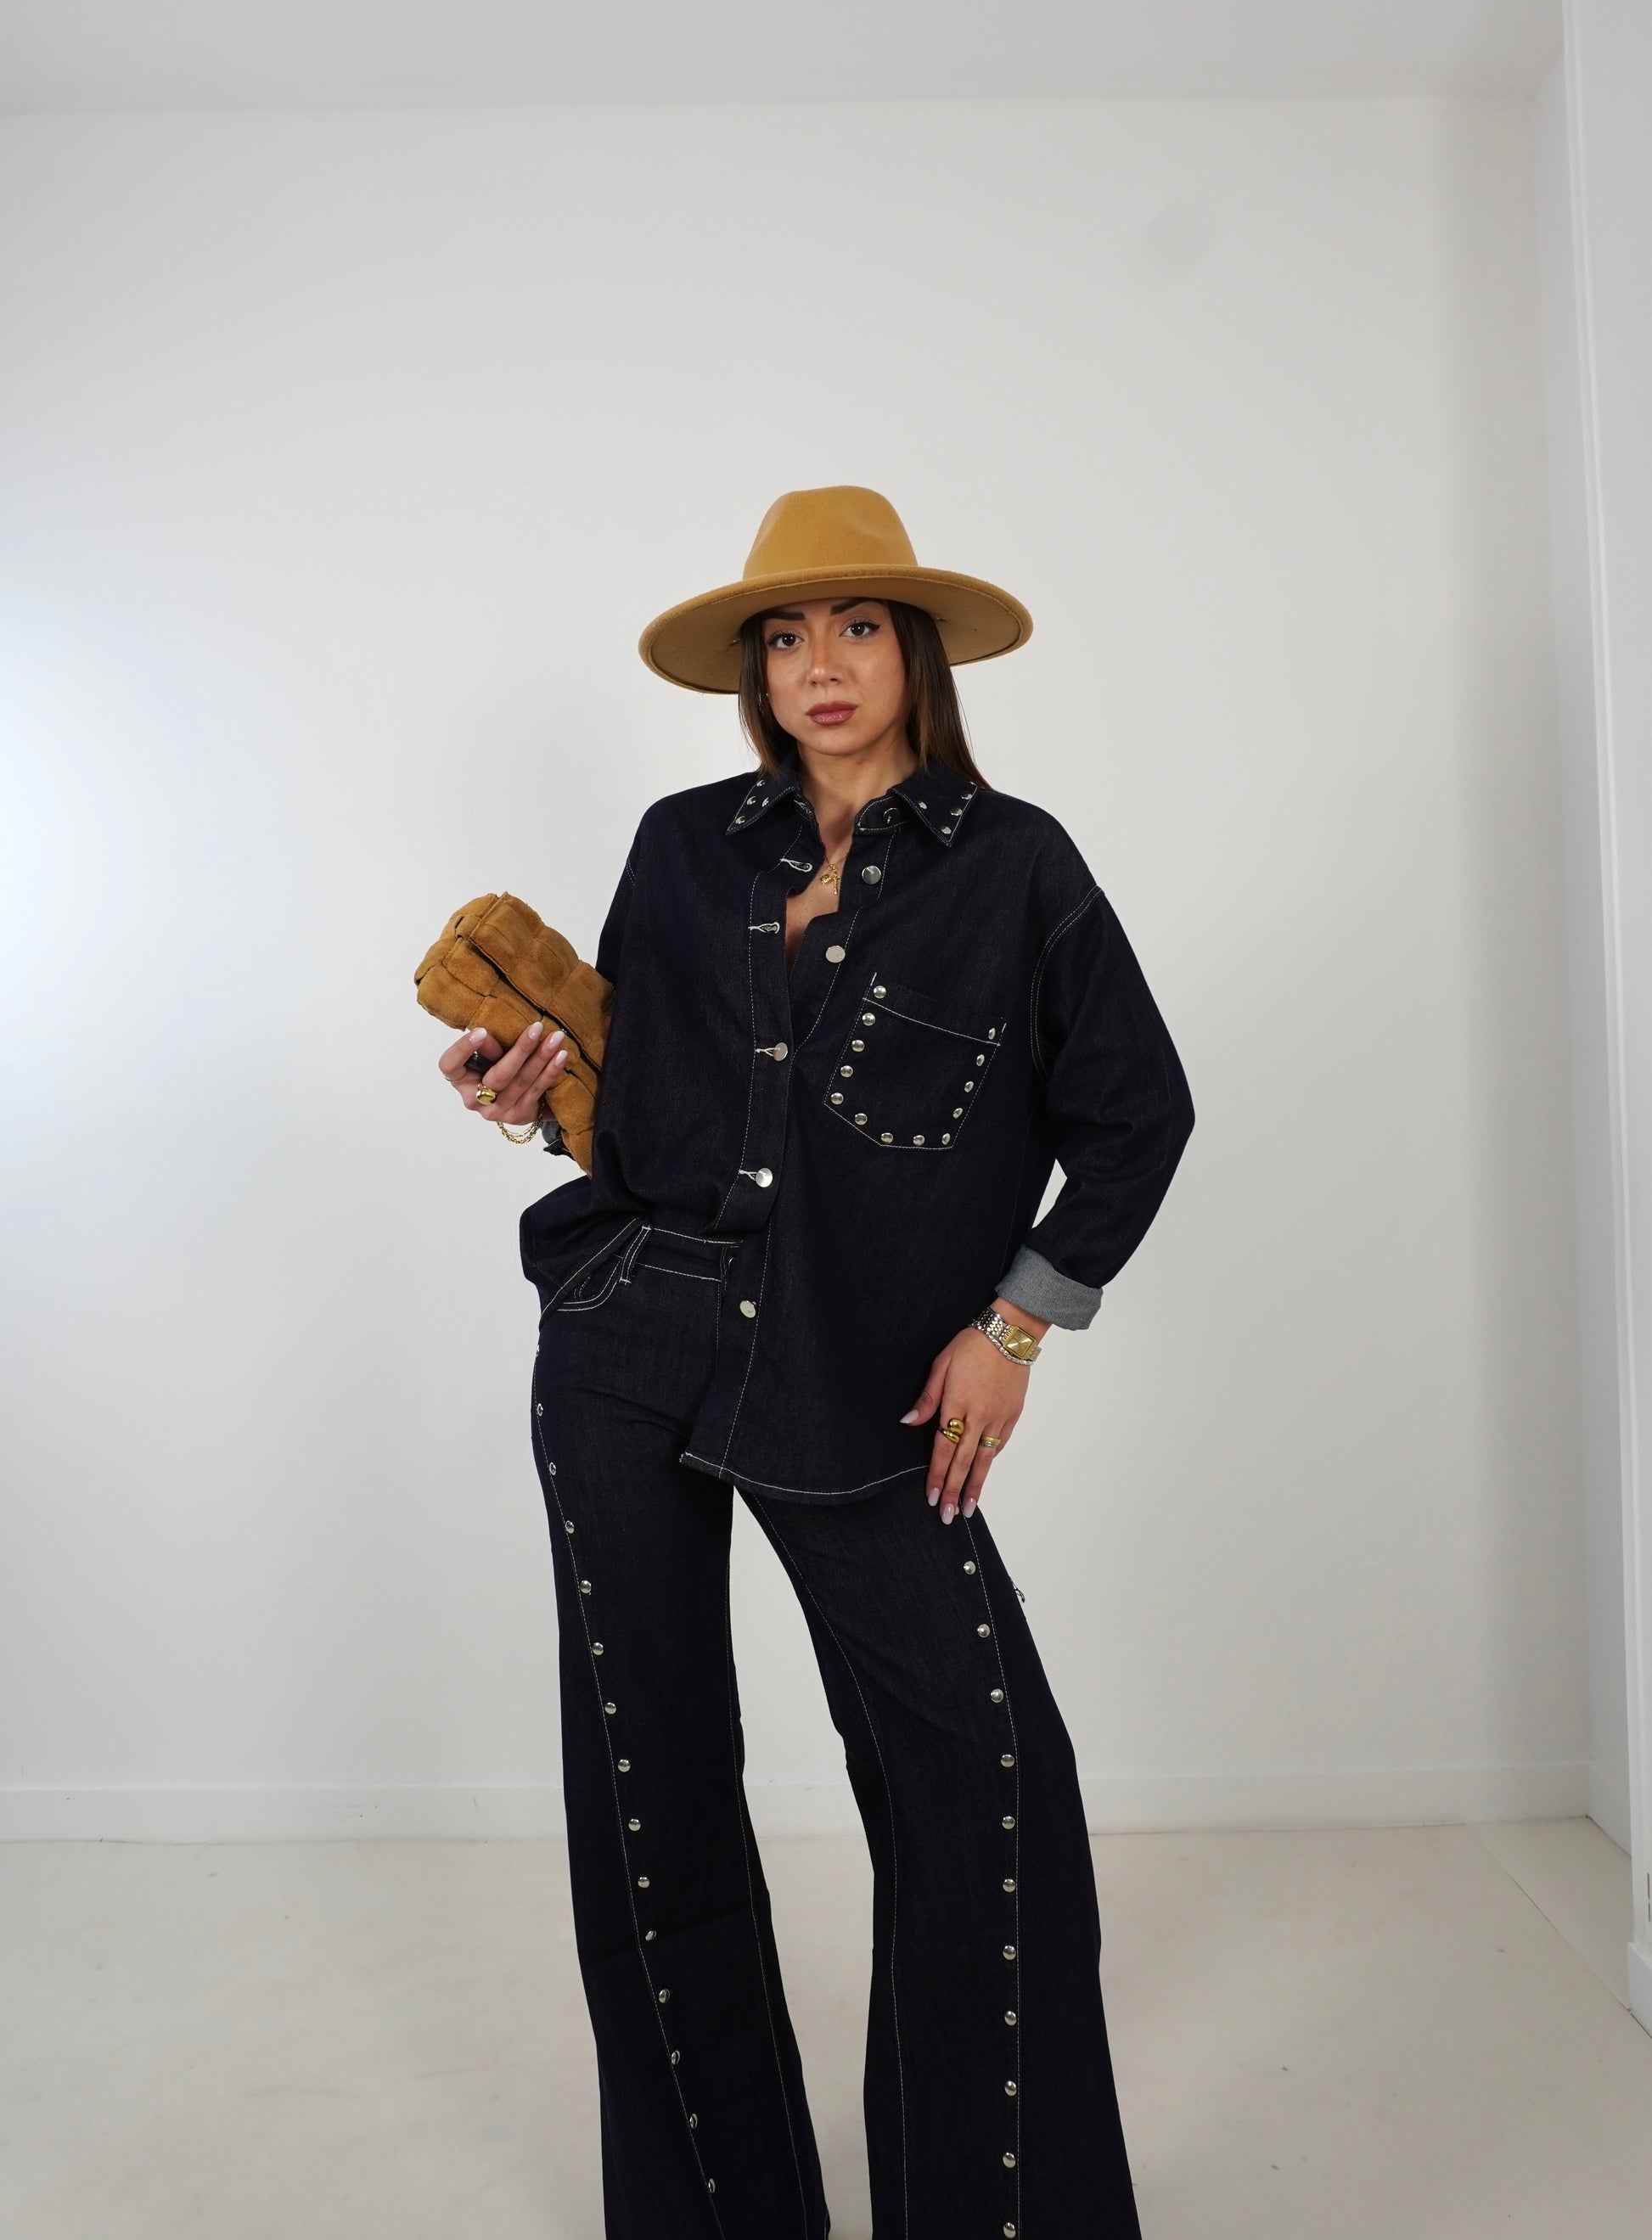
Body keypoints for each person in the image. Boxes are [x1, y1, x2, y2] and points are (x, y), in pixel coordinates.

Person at [436, 485, 1194, 2240]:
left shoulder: (1016, 865)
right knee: (650, 1790)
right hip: (628, 1334)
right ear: (754, 673)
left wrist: (1014, 1324)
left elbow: (1135, 1114)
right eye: (783, 636)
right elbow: (637, 1110)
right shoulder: (680, 844)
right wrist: (524, 1098)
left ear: (915, 651)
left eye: (855, 626)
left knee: (985, 1781)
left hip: (865, 1372)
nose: (818, 665)